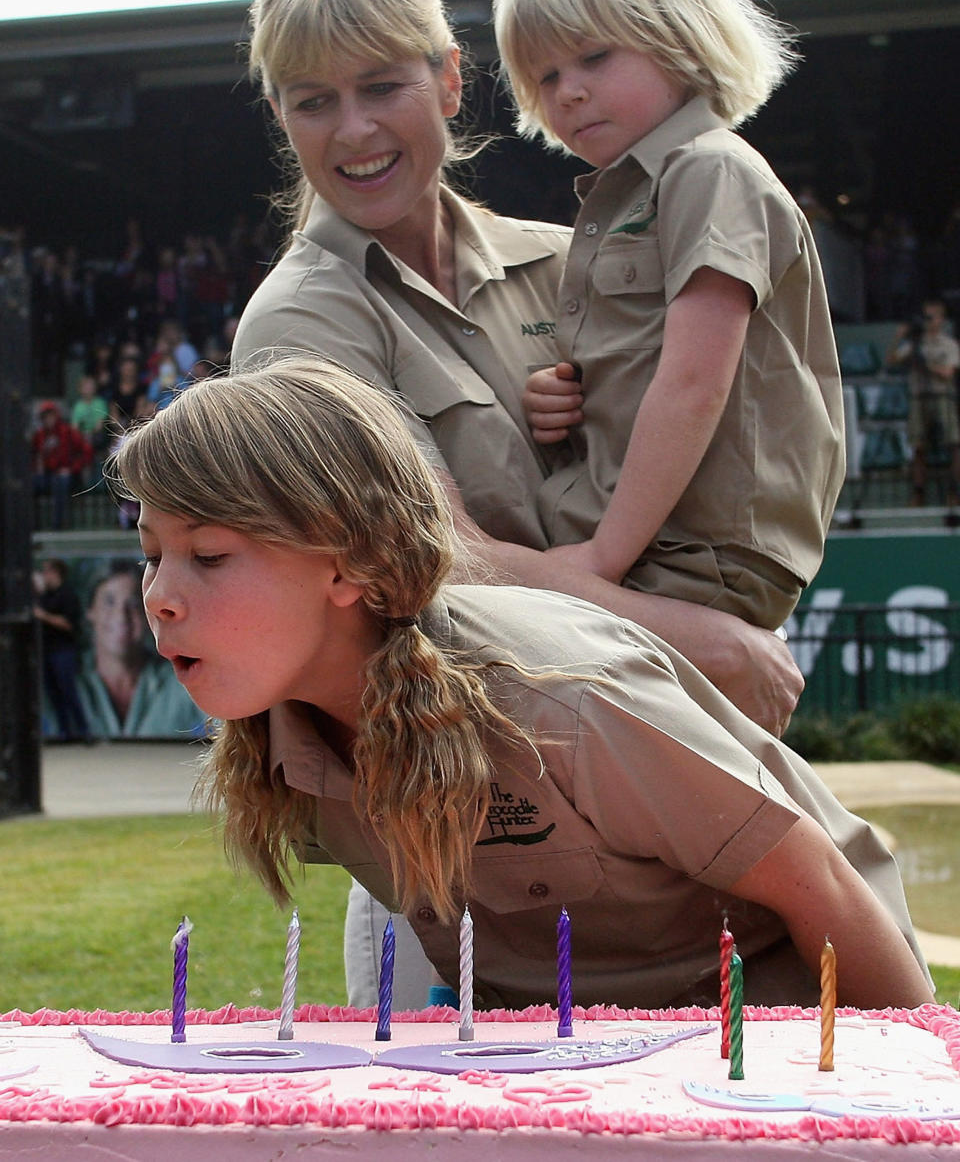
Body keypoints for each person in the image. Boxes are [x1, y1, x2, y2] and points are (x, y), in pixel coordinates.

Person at [230, 0, 803, 1011]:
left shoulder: (572, 257)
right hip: (460, 838)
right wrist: (702, 640)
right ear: (280, 116)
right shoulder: (299, 327)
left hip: (654, 793)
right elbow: (433, 569)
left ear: (449, 78)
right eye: (312, 100)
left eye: (382, 85)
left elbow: (713, 434)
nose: (353, 130)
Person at [106, 358, 932, 1010]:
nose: (161, 596)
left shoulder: (562, 699)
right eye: (151, 555)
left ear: (350, 560)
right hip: (553, 1070)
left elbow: (817, 881)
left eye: (209, 556)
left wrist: (899, 1104)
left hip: (756, 1043)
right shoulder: (291, 739)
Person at [495, 0, 846, 631]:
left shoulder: (709, 171)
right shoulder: (642, 190)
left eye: (594, 57)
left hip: (688, 555)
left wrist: (599, 564)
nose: (569, 91)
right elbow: (645, 365)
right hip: (649, 544)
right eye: (548, 73)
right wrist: (560, 395)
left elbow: (693, 384)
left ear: (679, 38)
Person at [76, 560, 207, 740]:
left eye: (133, 604)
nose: (121, 616)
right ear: (90, 611)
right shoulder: (65, 681)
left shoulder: (181, 682)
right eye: (109, 602)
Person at [886, 297, 960, 506]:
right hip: (918, 399)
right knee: (918, 446)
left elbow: (947, 372)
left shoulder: (949, 344)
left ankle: (954, 492)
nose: (928, 321)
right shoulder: (914, 344)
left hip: (942, 398)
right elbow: (891, 360)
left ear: (941, 319)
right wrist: (899, 337)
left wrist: (926, 365)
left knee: (954, 444)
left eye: (932, 316)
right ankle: (918, 493)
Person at [33, 558, 90, 743]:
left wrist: (44, 616)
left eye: (47, 571)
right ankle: (64, 732)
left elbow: (68, 624)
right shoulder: (44, 597)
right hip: (47, 651)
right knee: (53, 694)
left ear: (56, 572)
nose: (44, 575)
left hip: (63, 651)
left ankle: (84, 731)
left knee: (68, 691)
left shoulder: (67, 595)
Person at [32, 400, 93, 529]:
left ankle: (59, 525)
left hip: (69, 475)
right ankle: (32, 526)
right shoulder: (39, 435)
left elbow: (87, 452)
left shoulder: (68, 432)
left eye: (50, 415)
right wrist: (37, 467)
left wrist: (71, 469)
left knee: (61, 481)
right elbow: (33, 455)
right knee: (30, 483)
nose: (48, 419)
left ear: (56, 415)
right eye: (45, 416)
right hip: (48, 475)